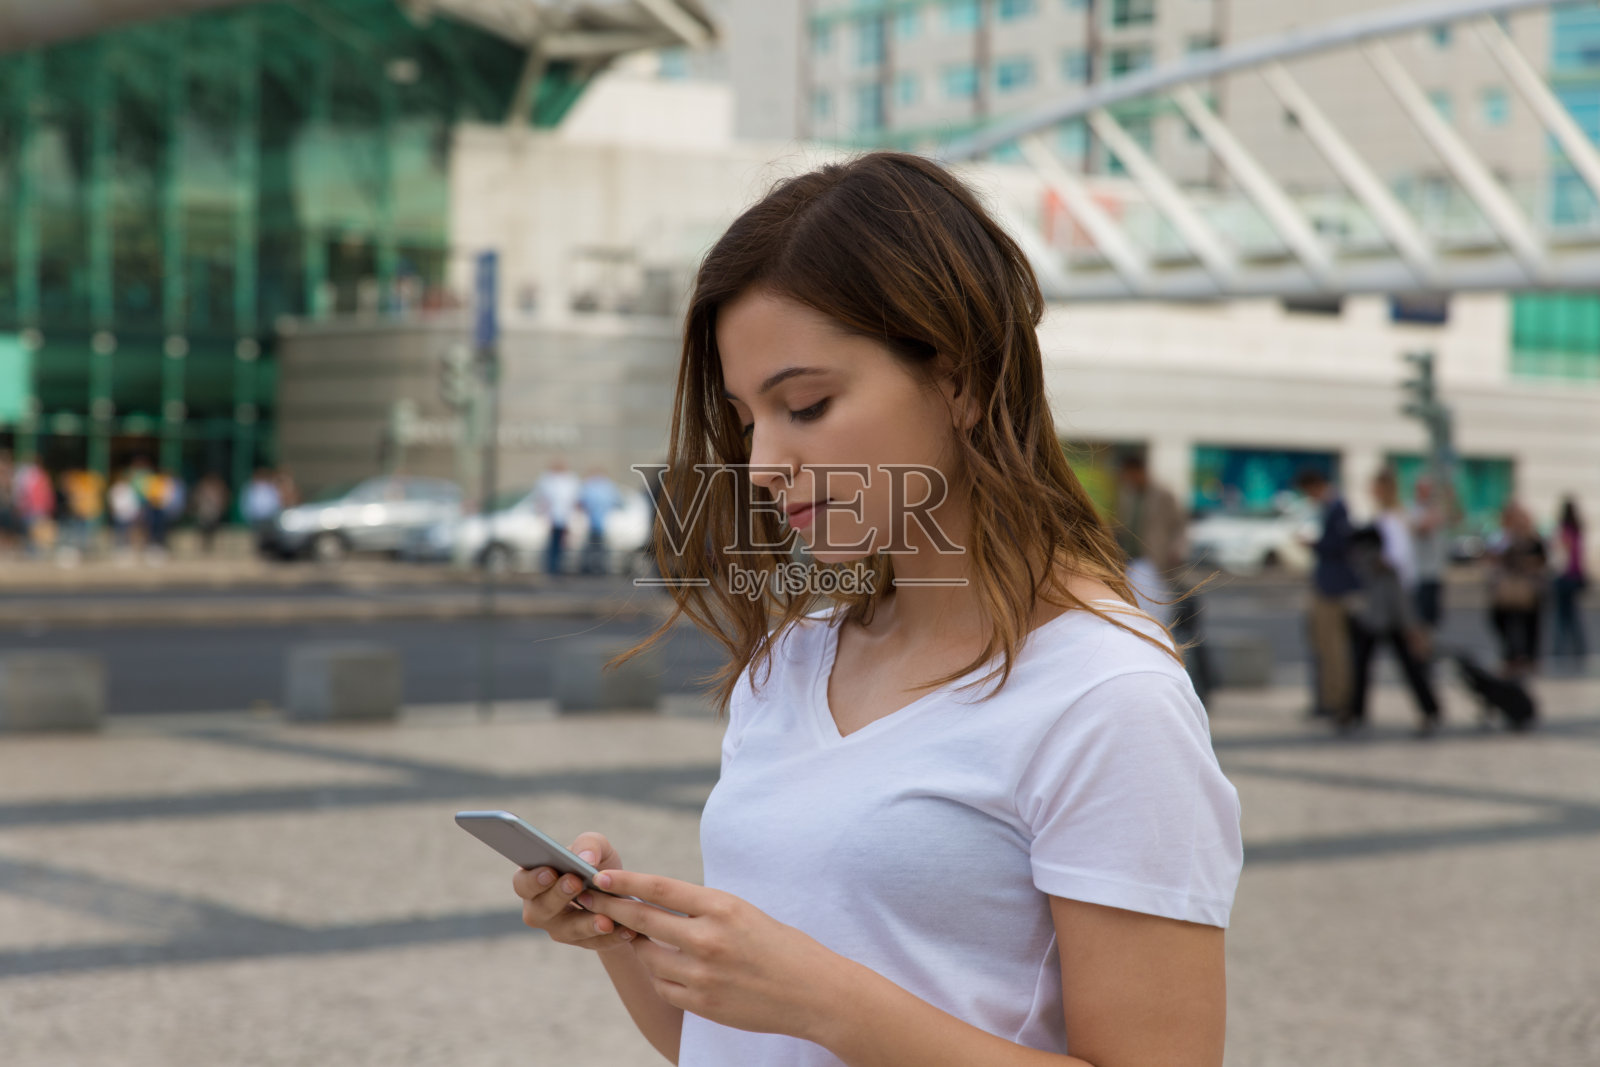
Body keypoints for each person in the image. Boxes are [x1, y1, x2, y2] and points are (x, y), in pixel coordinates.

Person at [504, 153, 1242, 1066]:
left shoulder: (1105, 696)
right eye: (746, 419)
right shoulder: (792, 659)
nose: (762, 464)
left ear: (962, 379)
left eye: (806, 405)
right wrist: (621, 936)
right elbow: (732, 1043)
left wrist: (822, 998)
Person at [1346, 524, 1442, 736]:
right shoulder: (1365, 567)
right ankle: (1355, 711)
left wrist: (1410, 627)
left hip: (1389, 623)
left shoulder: (1380, 567)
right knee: (1364, 669)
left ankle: (1429, 709)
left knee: (1407, 669)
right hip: (1374, 623)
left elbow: (1400, 601)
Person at [1295, 468, 1360, 721]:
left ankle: (1337, 699)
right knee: (1324, 645)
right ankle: (1329, 698)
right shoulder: (1331, 507)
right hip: (1326, 585)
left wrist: (1314, 544)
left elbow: (1340, 546)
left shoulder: (1337, 507)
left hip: (1333, 588)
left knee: (1333, 647)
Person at [1113, 453, 1186, 628]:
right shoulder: (1128, 494)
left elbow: (1179, 525)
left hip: (1155, 558)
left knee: (1156, 607)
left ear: (1140, 471)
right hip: (1131, 560)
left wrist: (1176, 550)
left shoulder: (1162, 494)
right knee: (1135, 604)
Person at [1487, 500, 1548, 680]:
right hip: (1508, 588)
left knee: (1530, 624)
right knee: (1504, 621)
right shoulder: (1503, 538)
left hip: (1529, 588)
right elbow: (1493, 557)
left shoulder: (1533, 538)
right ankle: (1512, 656)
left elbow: (1542, 559)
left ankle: (1528, 657)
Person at [1408, 475, 1450, 649]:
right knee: (1419, 617)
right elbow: (1422, 529)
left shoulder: (1436, 509)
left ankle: (1426, 649)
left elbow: (1457, 518)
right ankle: (1419, 650)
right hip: (1420, 573)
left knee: (1431, 619)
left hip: (1435, 572)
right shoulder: (1413, 510)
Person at [1551, 496, 1588, 662]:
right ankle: (1578, 648)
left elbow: (1561, 555)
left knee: (1562, 615)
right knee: (1571, 614)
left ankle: (1560, 648)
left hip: (1564, 576)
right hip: (1575, 575)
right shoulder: (1577, 530)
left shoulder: (1564, 531)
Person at [534, 457, 582, 576]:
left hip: (564, 518)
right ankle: (553, 568)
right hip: (553, 518)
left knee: (563, 544)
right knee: (553, 544)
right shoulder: (548, 480)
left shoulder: (569, 480)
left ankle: (559, 567)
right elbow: (543, 499)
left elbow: (574, 500)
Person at [576, 466, 622, 575]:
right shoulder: (608, 486)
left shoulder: (588, 486)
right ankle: (599, 568)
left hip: (593, 522)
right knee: (600, 547)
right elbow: (618, 502)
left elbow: (580, 502)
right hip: (601, 523)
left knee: (591, 547)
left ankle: (589, 568)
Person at [193, 473, 230, 555]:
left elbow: (224, 499)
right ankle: (204, 543)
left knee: (212, 526)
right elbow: (196, 499)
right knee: (203, 526)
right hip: (204, 511)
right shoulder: (202, 487)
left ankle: (211, 543)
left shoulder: (219, 488)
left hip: (214, 512)